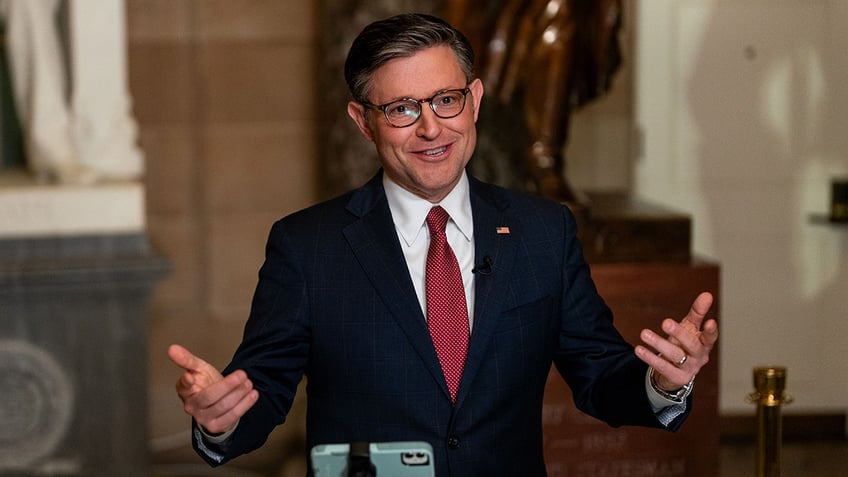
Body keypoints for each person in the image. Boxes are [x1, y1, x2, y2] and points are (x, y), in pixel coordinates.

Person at [168, 13, 719, 476]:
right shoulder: (307, 246)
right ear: (363, 122)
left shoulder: (543, 232)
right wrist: (222, 420)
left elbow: (601, 377)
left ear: (474, 100)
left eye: (446, 100)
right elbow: (258, 392)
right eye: (402, 108)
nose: (432, 129)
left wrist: (661, 383)